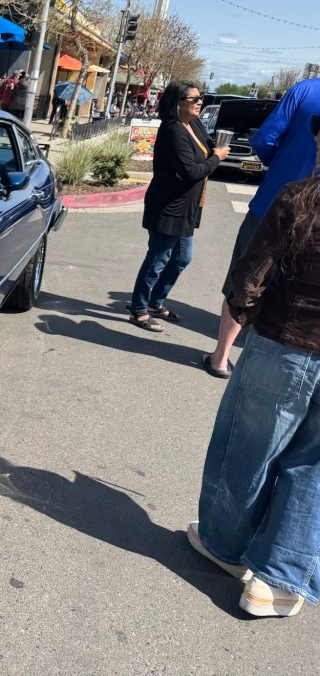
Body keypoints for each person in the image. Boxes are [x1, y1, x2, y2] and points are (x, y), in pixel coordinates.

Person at [189, 157, 320, 617]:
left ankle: (226, 547)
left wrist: (249, 319)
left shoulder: (299, 199)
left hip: (283, 341)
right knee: (313, 467)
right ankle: (277, 582)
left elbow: (249, 277)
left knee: (246, 449)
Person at [205, 77, 320, 377]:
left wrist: (280, 162)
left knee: (246, 276)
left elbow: (265, 139)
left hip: (275, 201)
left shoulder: (305, 90)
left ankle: (220, 358)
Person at [126, 81, 230, 331]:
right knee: (158, 259)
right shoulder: (173, 130)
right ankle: (138, 309)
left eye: (200, 97)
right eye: (194, 99)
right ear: (177, 103)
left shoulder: (194, 123)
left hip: (187, 207)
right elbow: (190, 171)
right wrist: (217, 158)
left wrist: (213, 153)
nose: (200, 102)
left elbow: (206, 151)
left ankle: (155, 302)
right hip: (168, 206)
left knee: (182, 258)